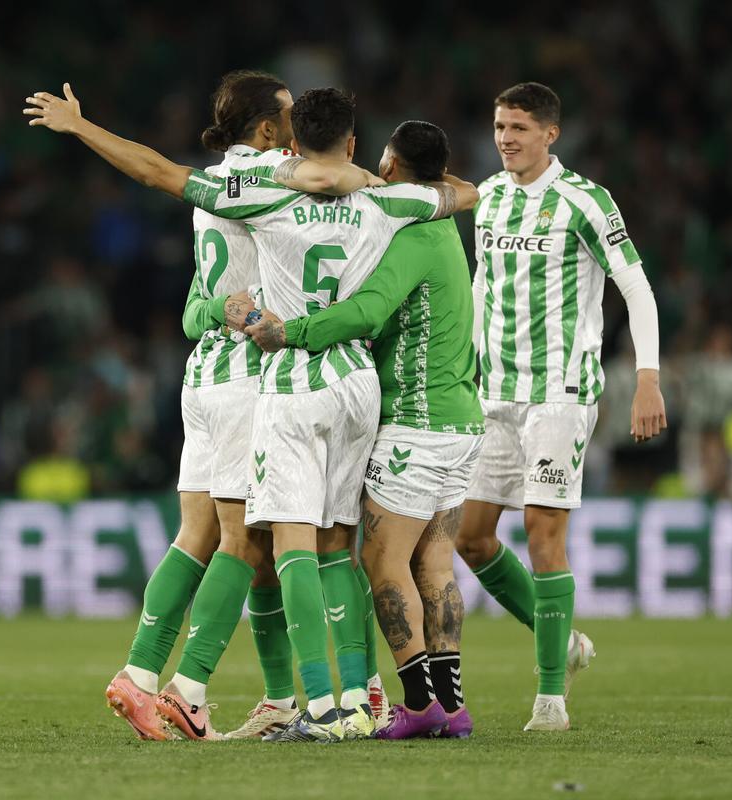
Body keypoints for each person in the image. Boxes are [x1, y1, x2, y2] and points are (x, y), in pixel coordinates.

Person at [26, 83, 477, 741]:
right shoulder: (382, 197)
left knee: (263, 542)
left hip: (270, 375)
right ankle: (350, 696)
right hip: (349, 376)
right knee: (329, 547)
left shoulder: (257, 189)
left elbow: (156, 173)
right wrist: (368, 172)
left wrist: (81, 126)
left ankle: (283, 700)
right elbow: (463, 192)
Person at [246, 121, 483, 739]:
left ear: (398, 167)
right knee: (435, 566)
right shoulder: (442, 227)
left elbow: (366, 311)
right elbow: (469, 190)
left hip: (416, 424)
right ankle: (450, 708)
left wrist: (292, 331)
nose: (375, 170)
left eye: (384, 161)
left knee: (381, 561)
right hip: (460, 420)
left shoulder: (413, 238)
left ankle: (416, 700)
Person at [456, 82, 666, 731]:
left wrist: (648, 378)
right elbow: (479, 285)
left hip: (560, 394)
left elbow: (637, 288)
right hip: (493, 394)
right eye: (498, 127)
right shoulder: (485, 198)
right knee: (471, 536)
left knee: (545, 533)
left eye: (518, 128)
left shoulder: (585, 202)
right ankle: (568, 643)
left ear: (551, 133)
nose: (505, 139)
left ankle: (551, 700)